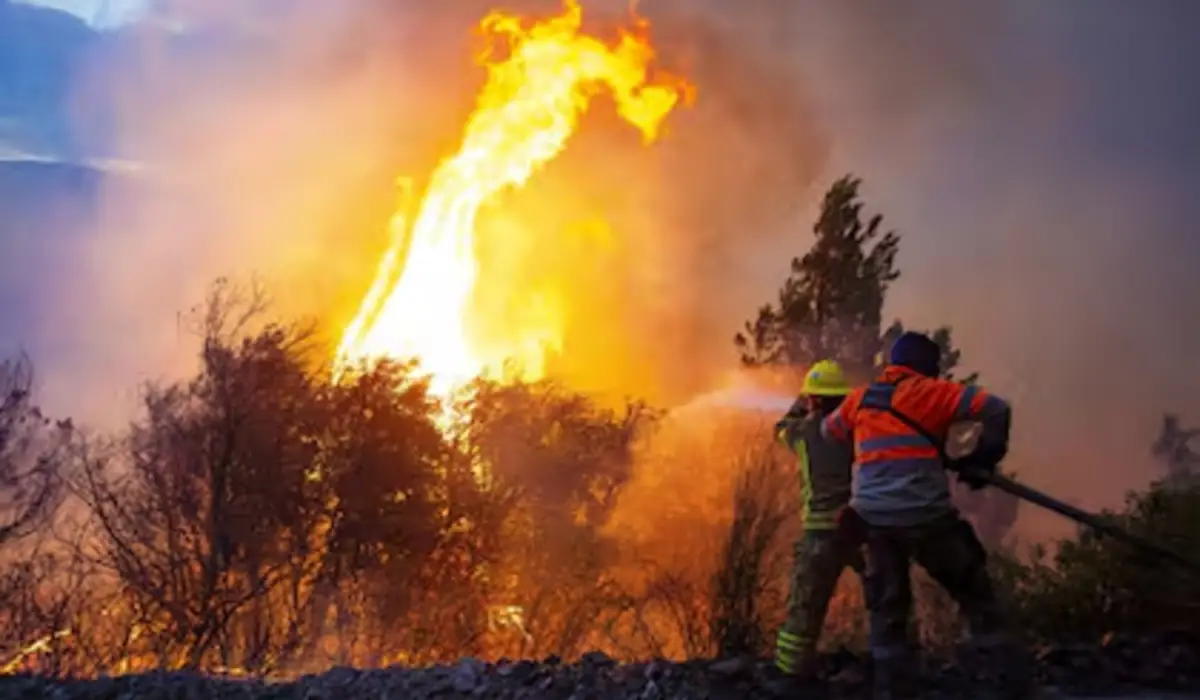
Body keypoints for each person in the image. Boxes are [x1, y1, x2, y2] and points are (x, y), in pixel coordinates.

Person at [820, 332, 1032, 699]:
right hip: (928, 519)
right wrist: (983, 457)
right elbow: (997, 409)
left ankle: (892, 689)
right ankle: (1005, 683)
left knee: (887, 615)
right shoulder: (934, 392)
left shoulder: (860, 399)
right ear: (925, 366)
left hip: (873, 523)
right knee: (976, 595)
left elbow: (829, 432)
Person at [769, 359, 866, 693]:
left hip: (820, 535)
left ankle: (791, 677)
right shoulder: (859, 429)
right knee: (885, 598)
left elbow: (780, 427)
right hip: (862, 530)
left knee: (805, 607)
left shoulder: (804, 432)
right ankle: (893, 666)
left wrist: (801, 397)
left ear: (813, 399)